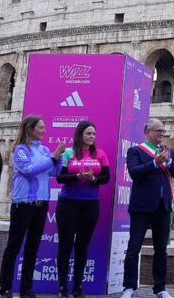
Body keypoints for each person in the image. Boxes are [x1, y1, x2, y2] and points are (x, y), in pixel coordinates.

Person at [0, 115, 65, 298]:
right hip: (23, 204)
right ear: (30, 129)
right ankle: (5, 288)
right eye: (41, 127)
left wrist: (59, 160)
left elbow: (53, 172)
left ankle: (26, 289)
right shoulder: (20, 149)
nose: (44, 131)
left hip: (41, 204)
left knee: (32, 248)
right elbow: (29, 170)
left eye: (44, 127)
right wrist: (53, 158)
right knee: (14, 246)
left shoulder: (44, 150)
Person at [122, 118, 174, 298]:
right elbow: (135, 173)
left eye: (162, 131)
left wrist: (169, 163)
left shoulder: (168, 151)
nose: (161, 134)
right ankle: (129, 286)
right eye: (158, 131)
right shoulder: (136, 151)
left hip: (162, 205)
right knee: (134, 247)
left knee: (161, 249)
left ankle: (160, 288)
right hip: (141, 205)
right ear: (147, 131)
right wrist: (154, 163)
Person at [55, 121, 110, 298]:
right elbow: (60, 178)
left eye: (94, 134)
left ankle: (78, 287)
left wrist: (93, 178)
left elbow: (106, 178)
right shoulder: (69, 153)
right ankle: (63, 287)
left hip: (90, 204)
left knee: (82, 246)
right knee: (65, 244)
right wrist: (78, 176)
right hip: (68, 203)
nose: (92, 137)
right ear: (80, 135)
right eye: (88, 134)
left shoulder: (100, 154)